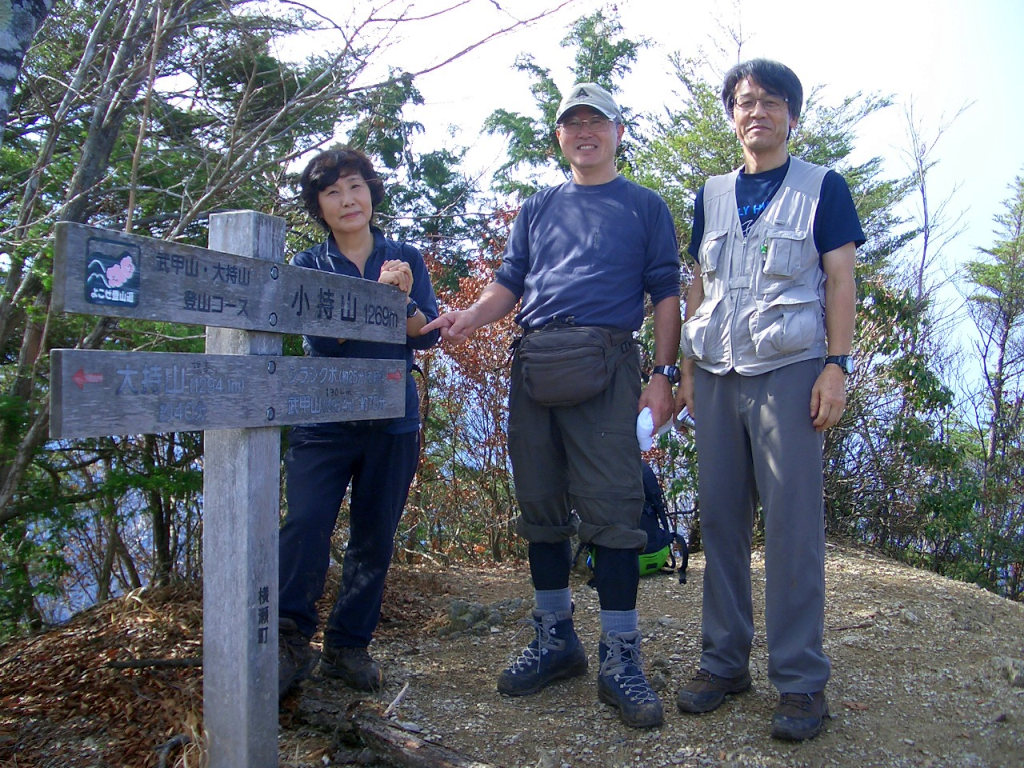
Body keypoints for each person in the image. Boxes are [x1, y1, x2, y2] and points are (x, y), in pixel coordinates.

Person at [422, 83, 681, 729]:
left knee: (615, 512)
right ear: (559, 137)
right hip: (535, 364)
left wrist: (663, 375)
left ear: (620, 132)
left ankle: (621, 657)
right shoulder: (537, 208)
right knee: (540, 507)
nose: (585, 131)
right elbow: (509, 283)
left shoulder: (645, 206)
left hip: (609, 366)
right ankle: (555, 639)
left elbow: (666, 295)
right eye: (573, 123)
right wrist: (468, 318)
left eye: (597, 121)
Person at [674, 59, 863, 741]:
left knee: (791, 529)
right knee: (721, 519)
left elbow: (839, 280)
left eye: (772, 102)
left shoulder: (822, 187)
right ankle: (723, 663)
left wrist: (836, 367)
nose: (758, 112)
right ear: (731, 115)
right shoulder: (713, 193)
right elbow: (699, 280)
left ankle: (801, 681)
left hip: (790, 368)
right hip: (719, 372)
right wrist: (688, 364)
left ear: (792, 115)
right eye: (746, 102)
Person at [277, 147, 440, 698]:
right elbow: (325, 337)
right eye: (332, 192)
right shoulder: (308, 265)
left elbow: (428, 331)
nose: (347, 200)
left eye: (355, 187)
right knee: (305, 525)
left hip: (392, 419)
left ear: (371, 192)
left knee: (373, 538)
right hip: (323, 418)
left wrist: (403, 300)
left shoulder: (405, 256)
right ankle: (287, 640)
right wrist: (381, 298)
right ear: (318, 207)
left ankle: (348, 647)